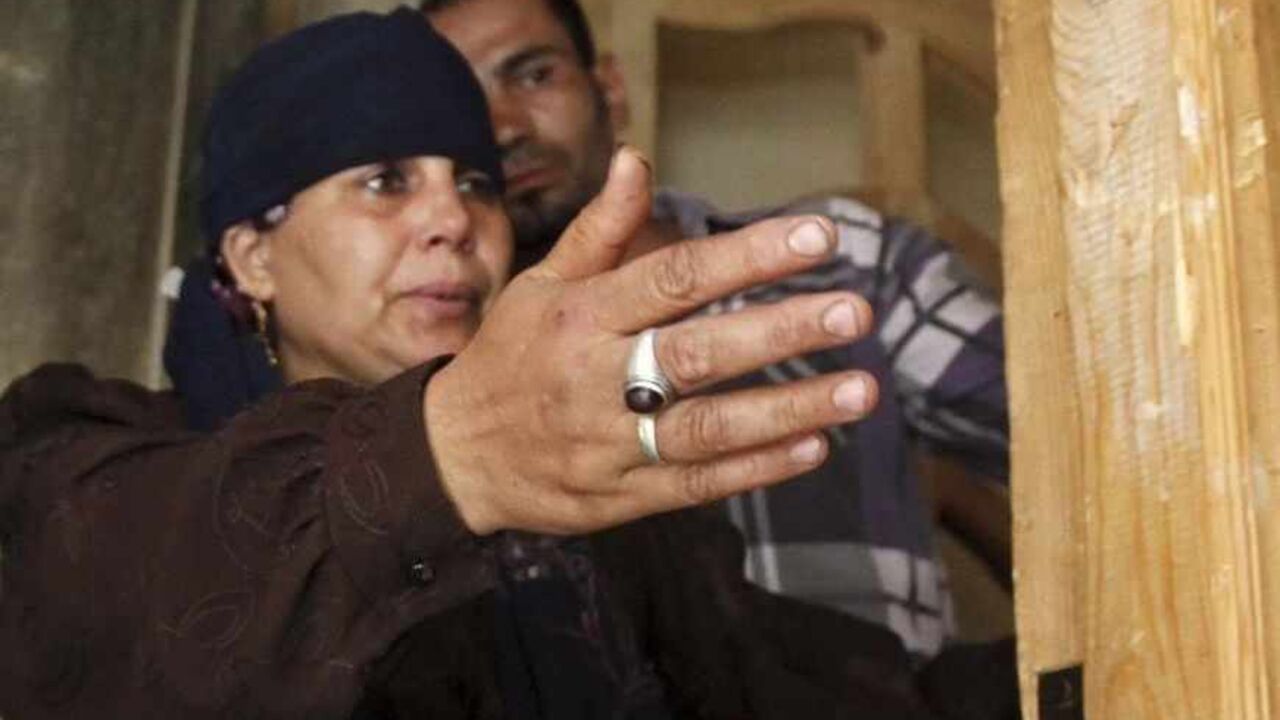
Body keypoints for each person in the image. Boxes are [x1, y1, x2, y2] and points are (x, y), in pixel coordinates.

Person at [0, 9, 955, 720]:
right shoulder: (87, 459)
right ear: (252, 255)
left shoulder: (594, 517)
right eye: (384, 182)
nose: (453, 221)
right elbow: (106, 609)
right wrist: (448, 454)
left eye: (474, 184)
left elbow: (793, 681)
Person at [424, 0, 1012, 659]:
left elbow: (1078, 442)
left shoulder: (836, 262)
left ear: (609, 89)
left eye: (533, 75)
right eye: (462, 101)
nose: (502, 126)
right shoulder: (436, 360)